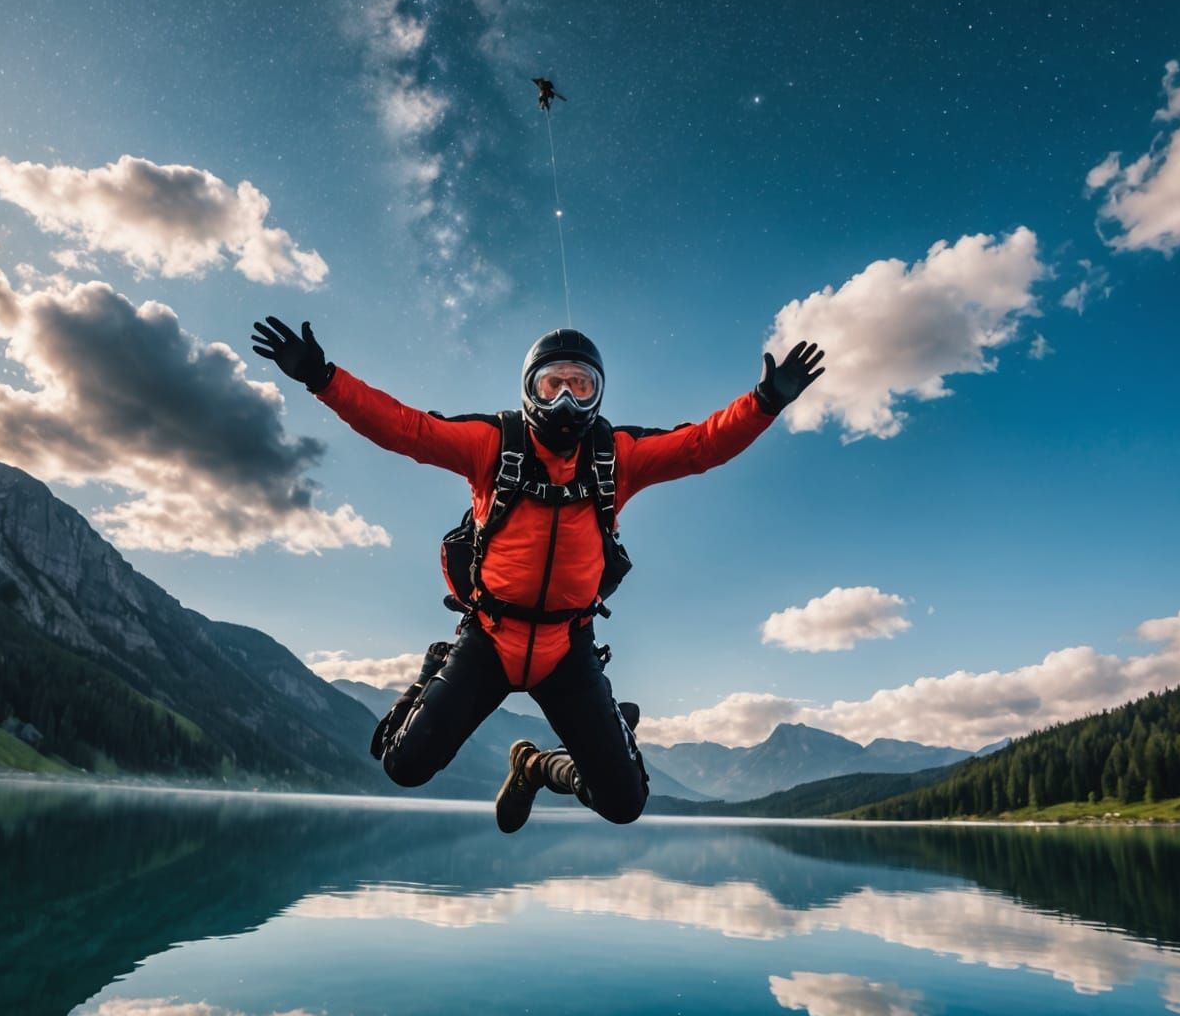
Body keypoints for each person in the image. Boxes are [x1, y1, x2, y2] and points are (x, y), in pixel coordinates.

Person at [249, 317, 824, 833]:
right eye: (554, 384)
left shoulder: (615, 457)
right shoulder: (492, 445)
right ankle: (436, 668)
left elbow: (700, 446)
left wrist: (766, 401)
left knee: (626, 803)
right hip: (489, 639)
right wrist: (323, 378)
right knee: (402, 765)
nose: (568, 400)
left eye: (582, 385)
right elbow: (407, 430)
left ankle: (539, 765)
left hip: (565, 646)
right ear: (530, 389)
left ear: (599, 394)